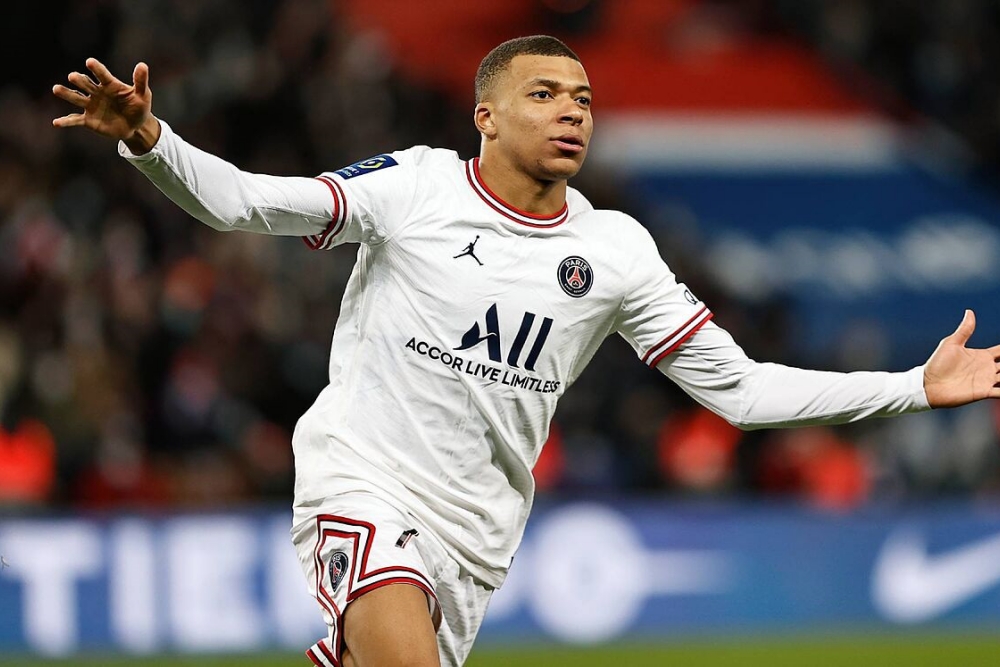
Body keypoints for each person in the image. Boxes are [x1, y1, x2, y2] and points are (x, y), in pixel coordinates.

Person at [53, 35, 1000, 667]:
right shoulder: (415, 189)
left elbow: (743, 392)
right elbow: (247, 203)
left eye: (582, 99)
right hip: (362, 485)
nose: (571, 112)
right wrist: (151, 139)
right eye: (543, 94)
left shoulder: (617, 251)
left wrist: (914, 385)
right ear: (486, 116)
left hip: (476, 539)